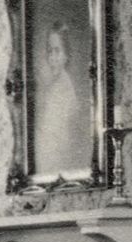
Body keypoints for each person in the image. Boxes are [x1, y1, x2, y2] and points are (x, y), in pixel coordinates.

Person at [30, 19, 95, 177]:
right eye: (49, 51)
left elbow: (61, 137)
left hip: (59, 159)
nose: (52, 57)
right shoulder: (53, 86)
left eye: (57, 51)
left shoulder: (64, 89)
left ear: (66, 54)